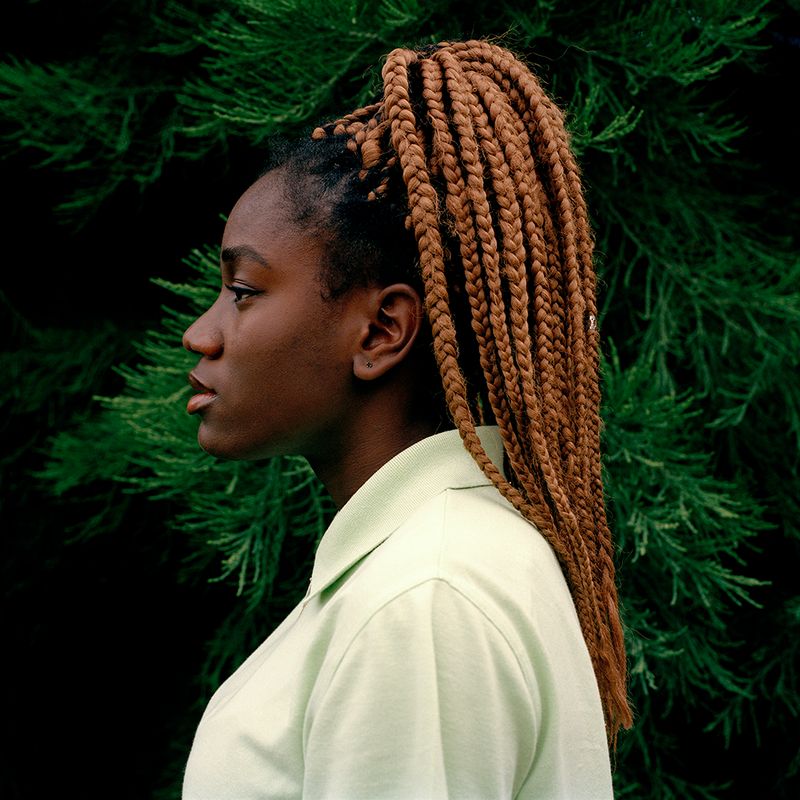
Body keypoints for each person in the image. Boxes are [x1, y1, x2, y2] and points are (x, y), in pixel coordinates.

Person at [181, 39, 633, 799]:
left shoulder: (421, 599)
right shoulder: (445, 566)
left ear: (382, 331)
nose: (202, 333)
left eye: (245, 290)